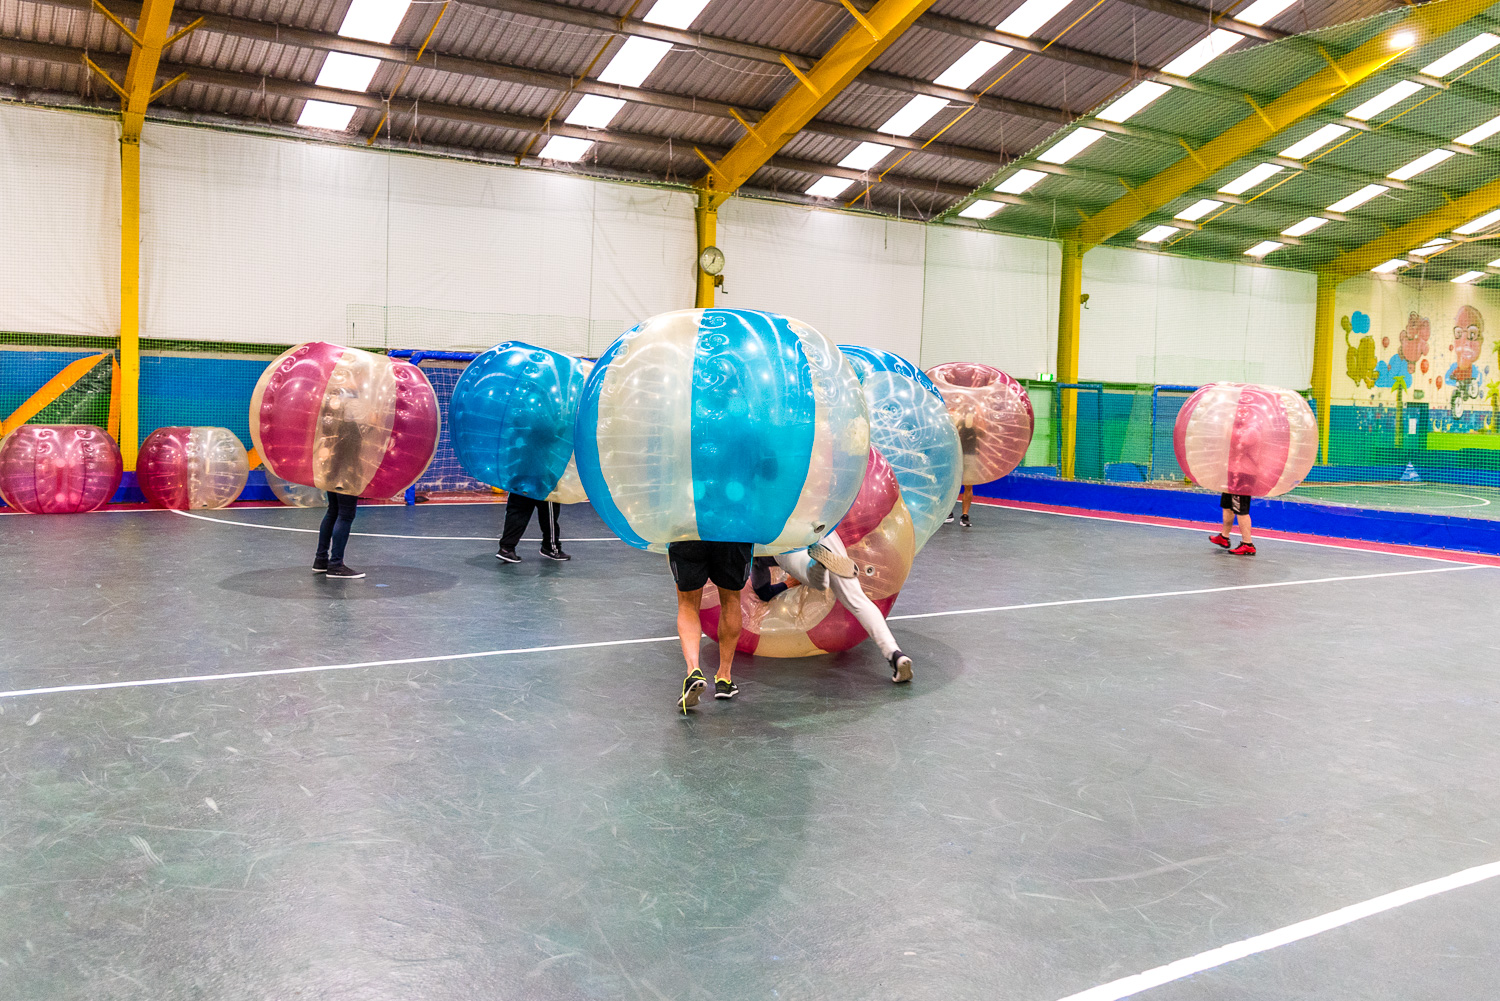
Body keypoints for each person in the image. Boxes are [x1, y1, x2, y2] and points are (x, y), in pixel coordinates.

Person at [766, 535, 914, 683]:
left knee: (803, 568)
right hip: (824, 530)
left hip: (784, 534)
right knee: (856, 598)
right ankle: (895, 654)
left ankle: (815, 567)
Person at [668, 540, 753, 711]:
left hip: (689, 528)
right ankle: (724, 678)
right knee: (731, 600)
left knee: (687, 603)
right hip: (731, 529)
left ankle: (694, 671)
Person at [497, 491, 569, 563]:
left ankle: (506, 549)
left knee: (518, 508)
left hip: (521, 482)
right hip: (543, 484)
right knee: (548, 510)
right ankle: (551, 547)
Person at [314, 491, 364, 578]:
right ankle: (336, 564)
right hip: (347, 479)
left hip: (331, 478)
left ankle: (321, 559)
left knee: (333, 511)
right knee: (346, 514)